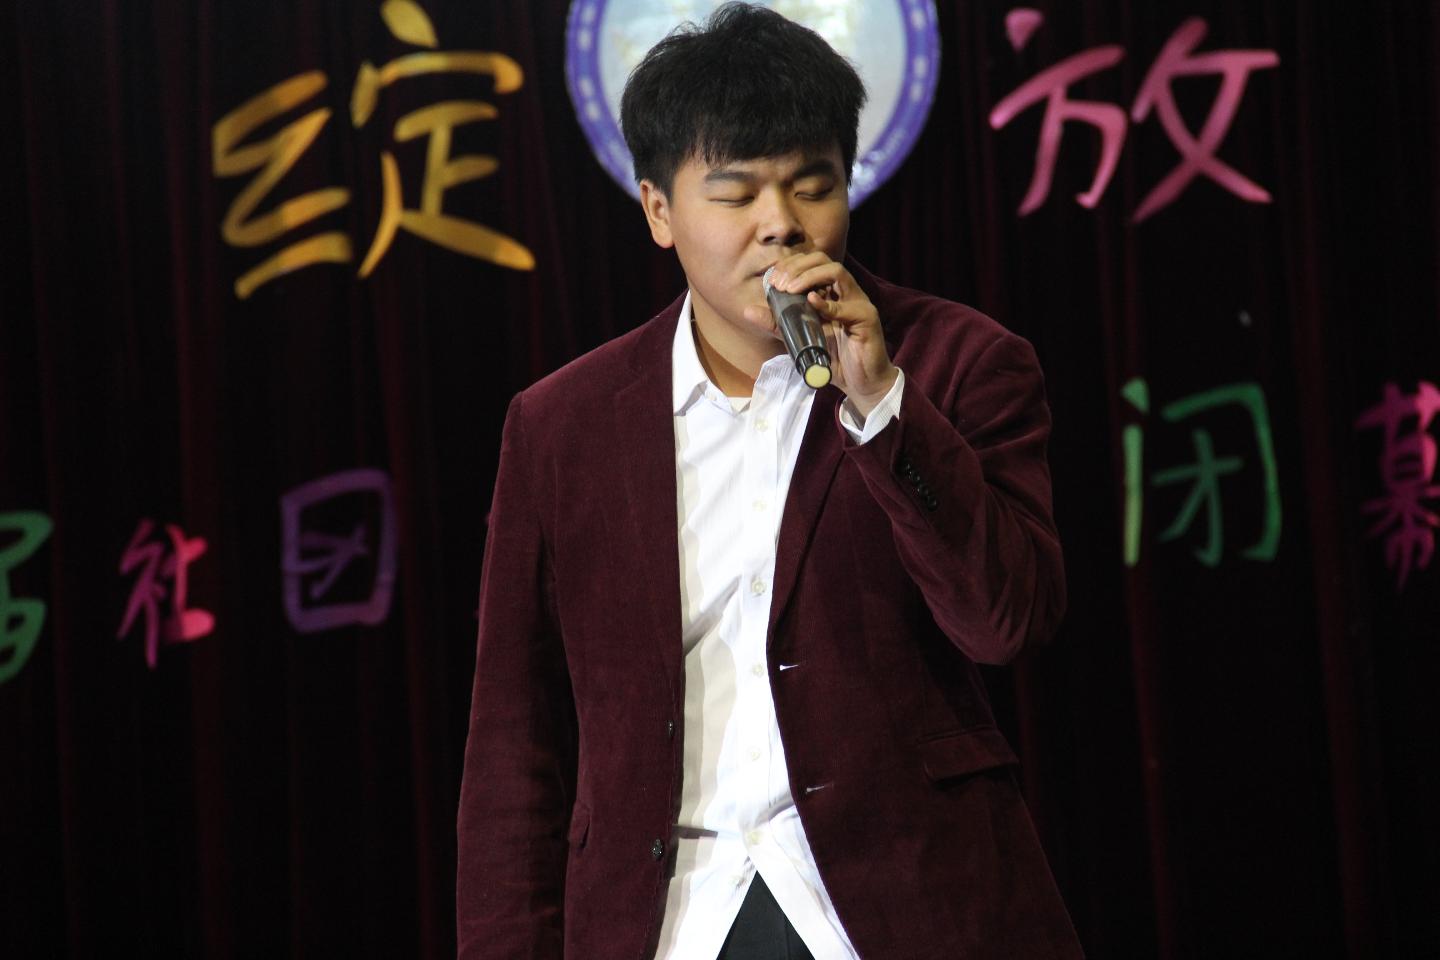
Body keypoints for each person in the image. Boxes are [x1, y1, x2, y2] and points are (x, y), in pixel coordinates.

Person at [456, 4, 1083, 958]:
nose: (781, 225)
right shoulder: (560, 426)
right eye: (735, 194)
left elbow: (1007, 621)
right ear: (658, 211)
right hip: (670, 920)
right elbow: (515, 735)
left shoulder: (960, 364)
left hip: (906, 907)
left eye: (811, 186)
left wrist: (881, 406)